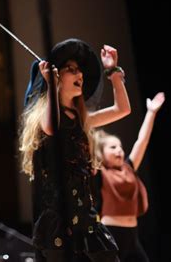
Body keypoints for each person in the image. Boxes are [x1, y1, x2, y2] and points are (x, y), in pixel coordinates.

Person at [19, 38, 131, 262]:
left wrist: (113, 71)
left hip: (86, 218)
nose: (79, 74)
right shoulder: (45, 116)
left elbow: (123, 109)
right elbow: (53, 126)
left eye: (80, 70)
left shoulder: (82, 119)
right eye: (70, 69)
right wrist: (51, 85)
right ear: (57, 76)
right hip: (59, 219)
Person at [92, 92, 165, 262]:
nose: (119, 150)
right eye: (112, 147)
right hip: (111, 233)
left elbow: (142, 141)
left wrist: (151, 112)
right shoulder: (100, 173)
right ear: (100, 153)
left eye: (120, 146)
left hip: (133, 234)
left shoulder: (129, 168)